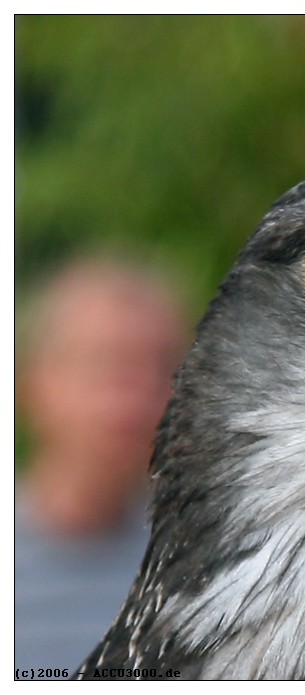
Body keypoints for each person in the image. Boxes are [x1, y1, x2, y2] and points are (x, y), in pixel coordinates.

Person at [15, 258, 187, 676]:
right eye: (107, 367)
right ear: (33, 382)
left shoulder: (199, 567)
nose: (138, 401)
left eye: (161, 368)